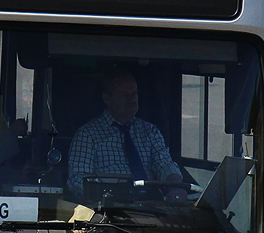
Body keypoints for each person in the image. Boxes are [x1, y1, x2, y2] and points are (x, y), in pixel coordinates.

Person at [66, 69, 185, 200]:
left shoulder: (150, 131)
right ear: (107, 98)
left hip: (152, 206)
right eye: (126, 95)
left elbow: (164, 164)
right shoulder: (87, 135)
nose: (133, 99)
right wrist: (107, 195)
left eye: (135, 93)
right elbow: (77, 180)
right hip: (109, 211)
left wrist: (175, 187)